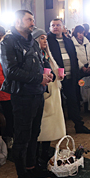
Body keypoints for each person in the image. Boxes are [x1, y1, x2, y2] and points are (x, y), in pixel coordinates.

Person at [0, 10, 53, 178]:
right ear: (17, 21)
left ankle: (31, 168)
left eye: (33, 19)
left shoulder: (32, 41)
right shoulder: (8, 42)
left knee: (34, 133)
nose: (32, 22)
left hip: (36, 93)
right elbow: (11, 71)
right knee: (22, 137)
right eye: (29, 19)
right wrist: (39, 78)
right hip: (22, 95)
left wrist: (46, 74)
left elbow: (38, 62)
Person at [47, 18, 90, 134]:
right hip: (55, 78)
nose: (55, 27)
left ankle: (79, 125)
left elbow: (74, 58)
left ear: (63, 27)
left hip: (70, 76)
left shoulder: (68, 41)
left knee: (73, 102)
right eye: (53, 25)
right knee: (57, 103)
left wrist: (76, 75)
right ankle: (57, 129)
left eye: (58, 25)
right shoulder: (47, 40)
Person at [32, 28, 66, 167]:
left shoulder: (47, 55)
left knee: (52, 124)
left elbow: (53, 71)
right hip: (44, 94)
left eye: (45, 38)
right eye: (41, 38)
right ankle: (37, 155)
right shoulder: (34, 56)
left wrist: (59, 75)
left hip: (53, 93)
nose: (44, 41)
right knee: (43, 125)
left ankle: (46, 151)